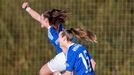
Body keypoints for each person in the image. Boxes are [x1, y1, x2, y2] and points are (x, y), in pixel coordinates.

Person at [22, 2, 96, 75]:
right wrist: (28, 8)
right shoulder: (57, 23)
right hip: (71, 51)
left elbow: (64, 47)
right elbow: (38, 17)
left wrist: (70, 59)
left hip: (65, 56)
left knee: (43, 72)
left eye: (41, 18)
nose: (39, 19)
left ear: (46, 21)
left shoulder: (52, 33)